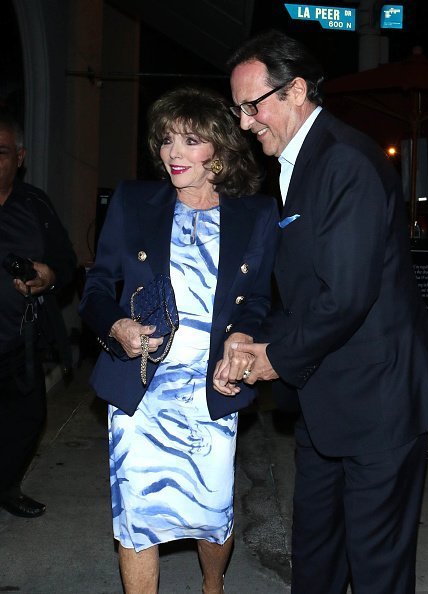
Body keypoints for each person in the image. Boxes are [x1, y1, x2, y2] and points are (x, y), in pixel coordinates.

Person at [214, 30, 428, 594]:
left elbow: (345, 295)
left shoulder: (344, 160)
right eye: (238, 109)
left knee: (375, 570)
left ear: (296, 90)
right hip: (326, 400)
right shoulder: (298, 163)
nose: (246, 123)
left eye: (252, 106)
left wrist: (274, 359)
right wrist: (251, 336)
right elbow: (300, 287)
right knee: (316, 557)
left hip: (378, 405)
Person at [79, 86, 279, 594]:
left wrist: (241, 338)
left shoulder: (255, 215)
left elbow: (257, 298)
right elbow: (98, 286)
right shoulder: (133, 201)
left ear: (219, 149)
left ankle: (214, 585)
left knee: (212, 510)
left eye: (190, 141)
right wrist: (115, 328)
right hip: (140, 385)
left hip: (210, 386)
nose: (173, 154)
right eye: (167, 141)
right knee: (136, 518)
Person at [0, 109, 76, 518]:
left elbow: (66, 261)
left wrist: (48, 277)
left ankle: (7, 486)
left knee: (27, 422)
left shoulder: (34, 204)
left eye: (1, 151)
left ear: (20, 157)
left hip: (19, 341)